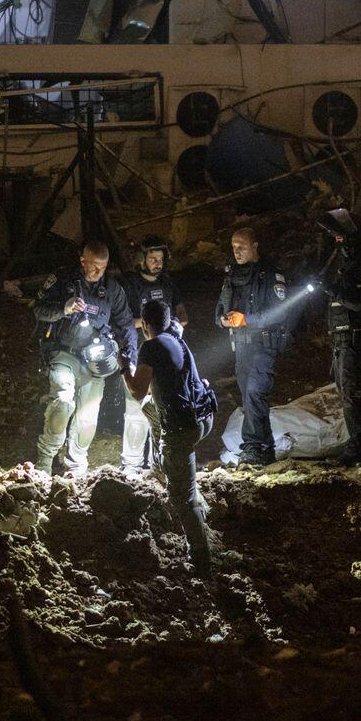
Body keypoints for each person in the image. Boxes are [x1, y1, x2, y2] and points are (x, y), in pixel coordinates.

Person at [29, 239, 136, 477]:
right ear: (82, 261)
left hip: (94, 359)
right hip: (63, 351)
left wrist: (130, 358)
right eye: (93, 266)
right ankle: (45, 461)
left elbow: (126, 324)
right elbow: (38, 309)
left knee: (87, 417)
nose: (98, 272)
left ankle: (76, 464)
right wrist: (63, 309)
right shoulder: (62, 279)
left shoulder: (112, 289)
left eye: (103, 267)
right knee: (62, 402)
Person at [126, 298, 217, 574]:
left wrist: (123, 366)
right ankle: (165, 468)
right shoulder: (176, 336)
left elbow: (137, 390)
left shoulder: (150, 347)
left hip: (181, 429)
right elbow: (149, 394)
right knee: (150, 409)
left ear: (145, 325)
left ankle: (201, 560)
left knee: (183, 500)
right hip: (203, 416)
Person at [216, 224, 291, 466]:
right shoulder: (232, 276)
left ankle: (251, 446)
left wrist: (246, 320)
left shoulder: (270, 274)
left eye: (242, 247)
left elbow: (279, 312)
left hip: (263, 344)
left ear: (255, 246)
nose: (237, 252)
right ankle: (265, 448)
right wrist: (223, 320)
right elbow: (219, 310)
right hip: (241, 346)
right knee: (250, 399)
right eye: (233, 247)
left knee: (255, 393)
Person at [319, 208, 361, 467]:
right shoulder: (346, 261)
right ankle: (356, 446)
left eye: (339, 234)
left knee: (354, 395)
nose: (335, 238)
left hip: (357, 337)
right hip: (342, 337)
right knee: (346, 395)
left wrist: (332, 290)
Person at [113, 236, 187, 473]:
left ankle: (158, 464)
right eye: (153, 259)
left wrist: (172, 325)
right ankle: (132, 463)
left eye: (161, 259)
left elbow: (182, 314)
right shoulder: (128, 285)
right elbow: (121, 319)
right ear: (141, 259)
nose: (158, 263)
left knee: (162, 409)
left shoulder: (168, 283)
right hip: (138, 349)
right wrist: (151, 323)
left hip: (165, 353)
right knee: (136, 408)